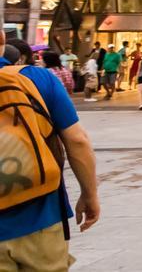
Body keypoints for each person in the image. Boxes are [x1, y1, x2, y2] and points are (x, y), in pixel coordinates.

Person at [0, 38, 101, 271]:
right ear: (3, 40)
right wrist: (89, 194)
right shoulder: (38, 78)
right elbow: (77, 141)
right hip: (40, 220)